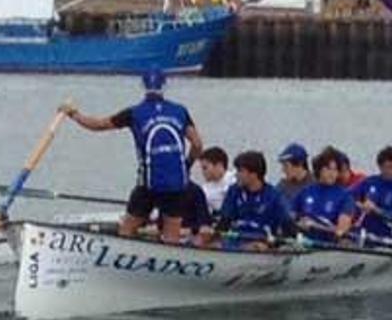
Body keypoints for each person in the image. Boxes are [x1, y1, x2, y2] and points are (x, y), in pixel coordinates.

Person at [60, 68, 203, 244]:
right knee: (172, 235)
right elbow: (197, 145)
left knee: (127, 229)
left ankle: (123, 257)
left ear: (142, 86)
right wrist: (186, 165)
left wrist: (73, 114)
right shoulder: (180, 111)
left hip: (148, 184)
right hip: (176, 182)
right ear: (165, 86)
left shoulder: (134, 113)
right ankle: (170, 264)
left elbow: (98, 125)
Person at [217, 151, 295, 250]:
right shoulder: (234, 191)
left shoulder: (274, 197)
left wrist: (275, 245)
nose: (236, 175)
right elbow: (224, 223)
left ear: (254, 174)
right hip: (235, 241)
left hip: (261, 243)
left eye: (240, 171)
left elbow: (289, 229)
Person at [291, 148, 356, 242]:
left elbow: (342, 228)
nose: (332, 174)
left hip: (329, 246)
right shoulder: (305, 192)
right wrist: (298, 224)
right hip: (305, 242)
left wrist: (336, 231)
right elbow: (290, 218)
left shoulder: (345, 196)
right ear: (319, 170)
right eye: (328, 169)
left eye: (335, 170)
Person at [350, 146, 392, 240]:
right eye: (387, 167)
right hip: (363, 232)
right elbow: (347, 196)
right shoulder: (370, 182)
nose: (390, 171)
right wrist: (360, 205)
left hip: (388, 235)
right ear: (380, 166)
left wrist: (376, 210)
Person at [198, 146, 236, 218]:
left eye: (205, 168)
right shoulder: (204, 190)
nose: (203, 172)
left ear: (219, 165)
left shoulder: (235, 180)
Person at [277, 142, 314, 207]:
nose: (283, 170)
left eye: (286, 166)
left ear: (299, 164)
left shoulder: (316, 184)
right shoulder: (282, 187)